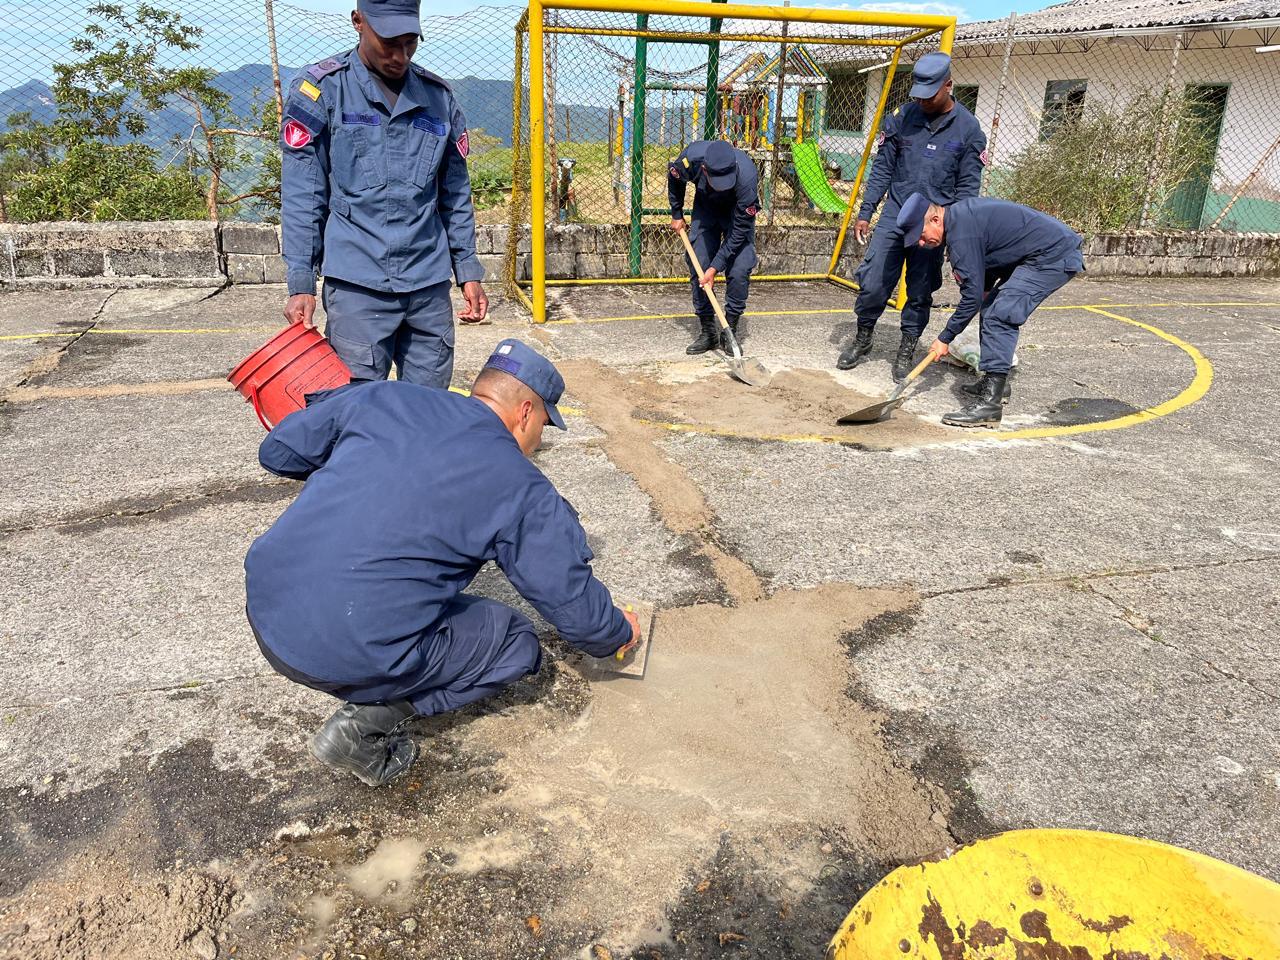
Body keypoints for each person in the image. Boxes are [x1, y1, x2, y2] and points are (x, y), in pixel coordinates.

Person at [244, 340, 640, 786]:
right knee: (515, 643)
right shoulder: (521, 486)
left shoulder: (385, 395)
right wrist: (618, 632)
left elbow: (277, 453)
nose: (539, 441)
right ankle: (365, 725)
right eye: (545, 426)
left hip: (266, 609)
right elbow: (571, 605)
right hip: (343, 646)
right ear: (525, 411)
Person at [279, 0, 489, 390]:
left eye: (410, 43)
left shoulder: (438, 99)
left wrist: (468, 270)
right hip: (358, 287)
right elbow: (303, 195)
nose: (400, 56)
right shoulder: (322, 91)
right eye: (389, 43)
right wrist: (301, 282)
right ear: (358, 22)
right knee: (357, 414)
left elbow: (456, 193)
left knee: (427, 412)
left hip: (428, 286)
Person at [836, 52, 987, 381]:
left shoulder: (969, 130)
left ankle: (906, 348)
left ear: (948, 86)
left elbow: (967, 190)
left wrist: (954, 235)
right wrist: (866, 210)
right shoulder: (901, 117)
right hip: (896, 214)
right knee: (874, 282)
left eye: (929, 94)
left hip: (934, 224)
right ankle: (863, 338)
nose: (921, 100)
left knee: (919, 291)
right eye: (917, 93)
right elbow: (883, 168)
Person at [898, 191, 1085, 427]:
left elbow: (971, 298)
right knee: (992, 308)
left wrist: (945, 338)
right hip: (1038, 253)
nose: (923, 244)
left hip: (1052, 256)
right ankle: (995, 383)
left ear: (935, 220)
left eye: (922, 236)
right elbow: (991, 255)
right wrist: (985, 293)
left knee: (1000, 315)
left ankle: (989, 405)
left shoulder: (960, 235)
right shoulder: (961, 218)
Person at [667, 140, 761, 354]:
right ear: (704, 169)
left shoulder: (747, 178)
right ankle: (708, 330)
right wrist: (676, 212)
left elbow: (738, 233)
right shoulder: (690, 158)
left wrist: (715, 267)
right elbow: (674, 178)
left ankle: (730, 329)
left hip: (735, 216)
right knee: (698, 262)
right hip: (706, 209)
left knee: (740, 267)